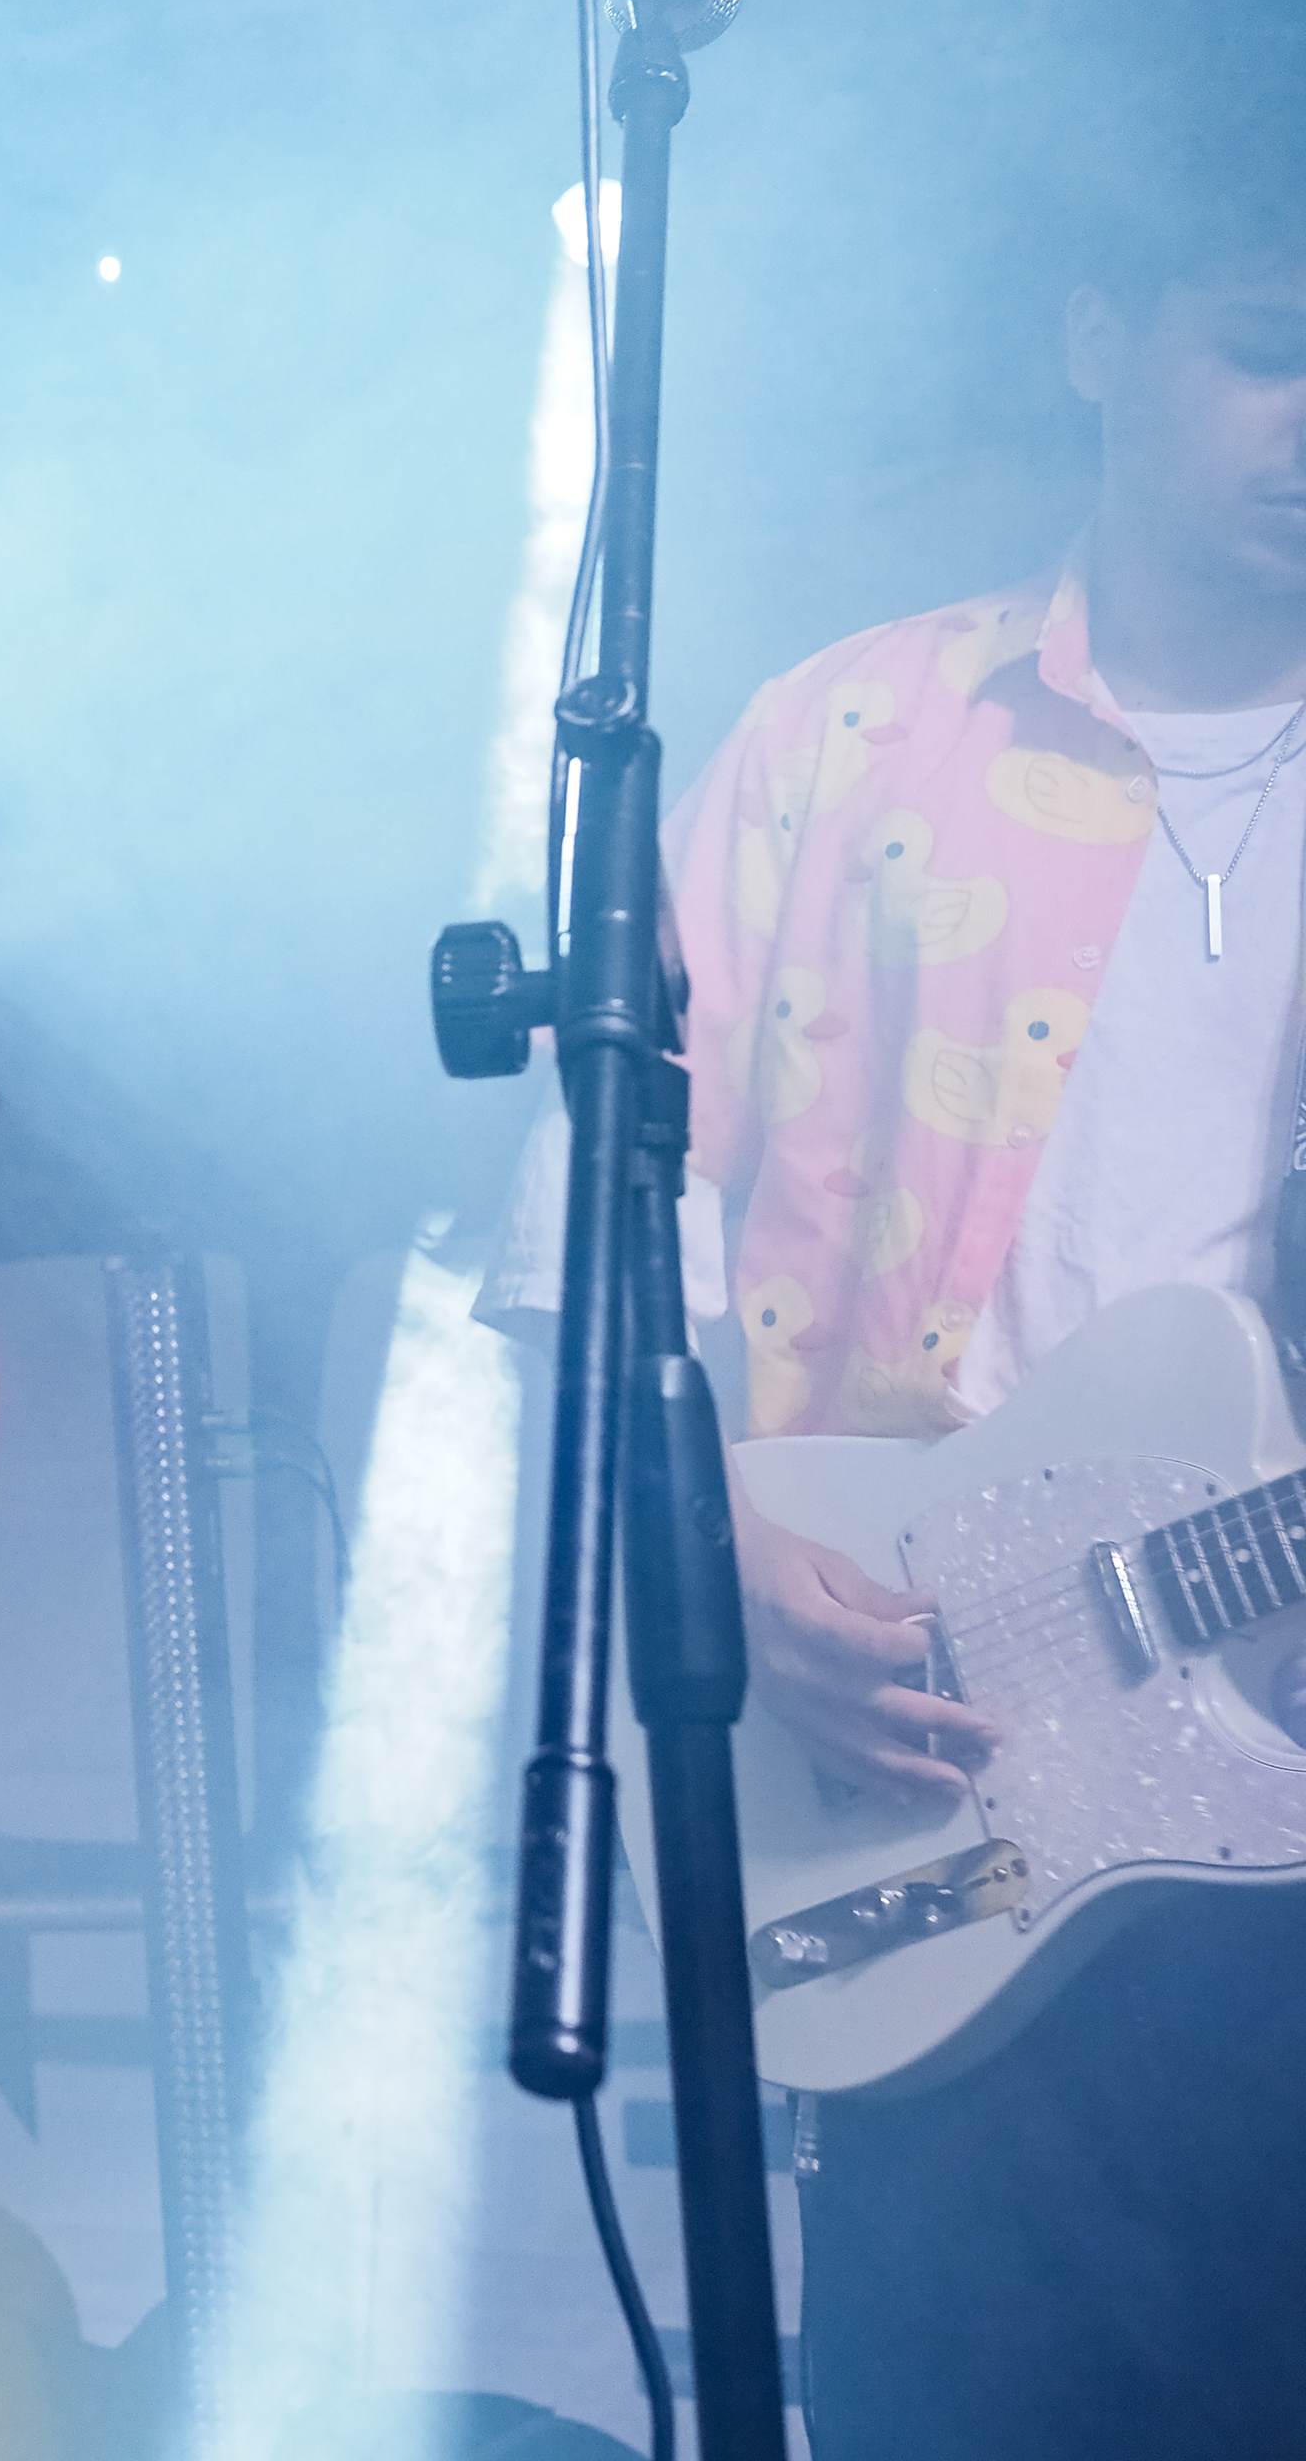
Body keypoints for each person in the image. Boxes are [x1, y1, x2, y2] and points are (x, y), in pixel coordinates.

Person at [488, 130, 1306, 2453]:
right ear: (1096, 345)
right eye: (1267, 351)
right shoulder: (848, 744)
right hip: (944, 1807)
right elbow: (565, 1241)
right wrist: (707, 1528)